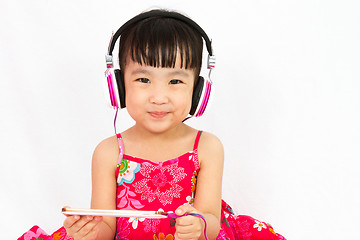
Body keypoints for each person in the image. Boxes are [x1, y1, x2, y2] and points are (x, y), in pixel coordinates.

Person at [60, 9, 286, 240]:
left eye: (175, 81)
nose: (159, 97)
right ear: (119, 86)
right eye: (143, 80)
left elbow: (211, 218)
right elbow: (107, 227)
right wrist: (89, 233)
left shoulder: (206, 147)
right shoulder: (108, 152)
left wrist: (199, 226)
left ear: (199, 91)